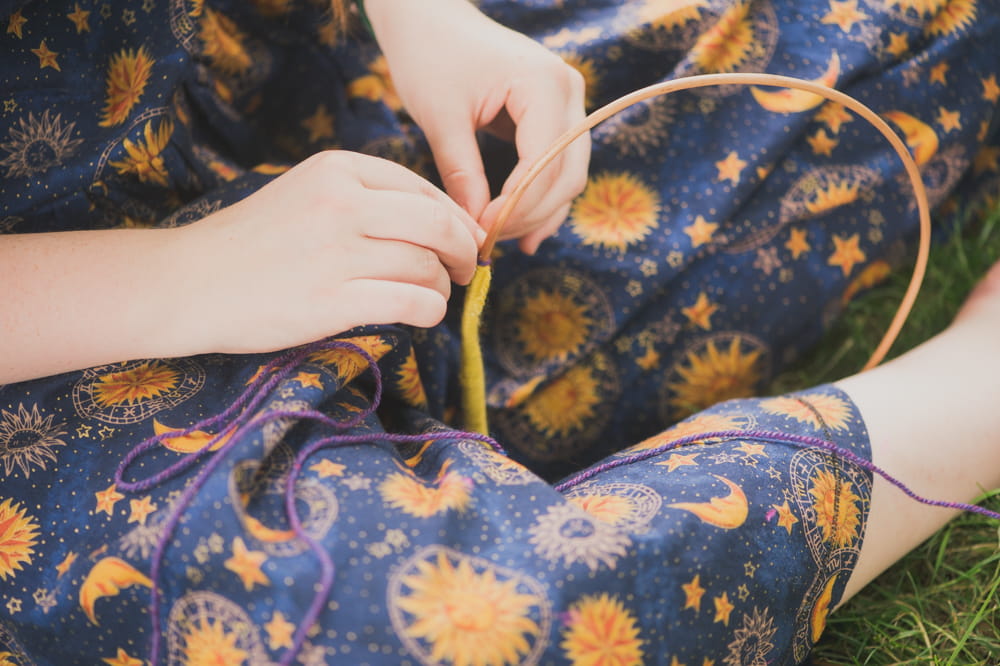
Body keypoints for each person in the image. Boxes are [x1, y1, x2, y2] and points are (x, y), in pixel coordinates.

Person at [0, 0, 997, 664]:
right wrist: (182, 278)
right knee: (460, 634)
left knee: (929, 24)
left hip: (252, 80)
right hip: (54, 374)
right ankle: (976, 392)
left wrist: (422, 16)